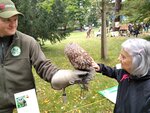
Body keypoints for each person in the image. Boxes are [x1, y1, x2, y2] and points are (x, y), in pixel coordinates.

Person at [0, 0, 93, 112]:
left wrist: (66, 76)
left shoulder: (28, 42)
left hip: (24, 97)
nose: (13, 24)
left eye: (15, 19)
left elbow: (44, 66)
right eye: (7, 20)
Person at [92, 38, 150, 113]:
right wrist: (100, 67)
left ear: (137, 62)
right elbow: (114, 72)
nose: (118, 58)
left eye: (123, 57)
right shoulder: (125, 73)